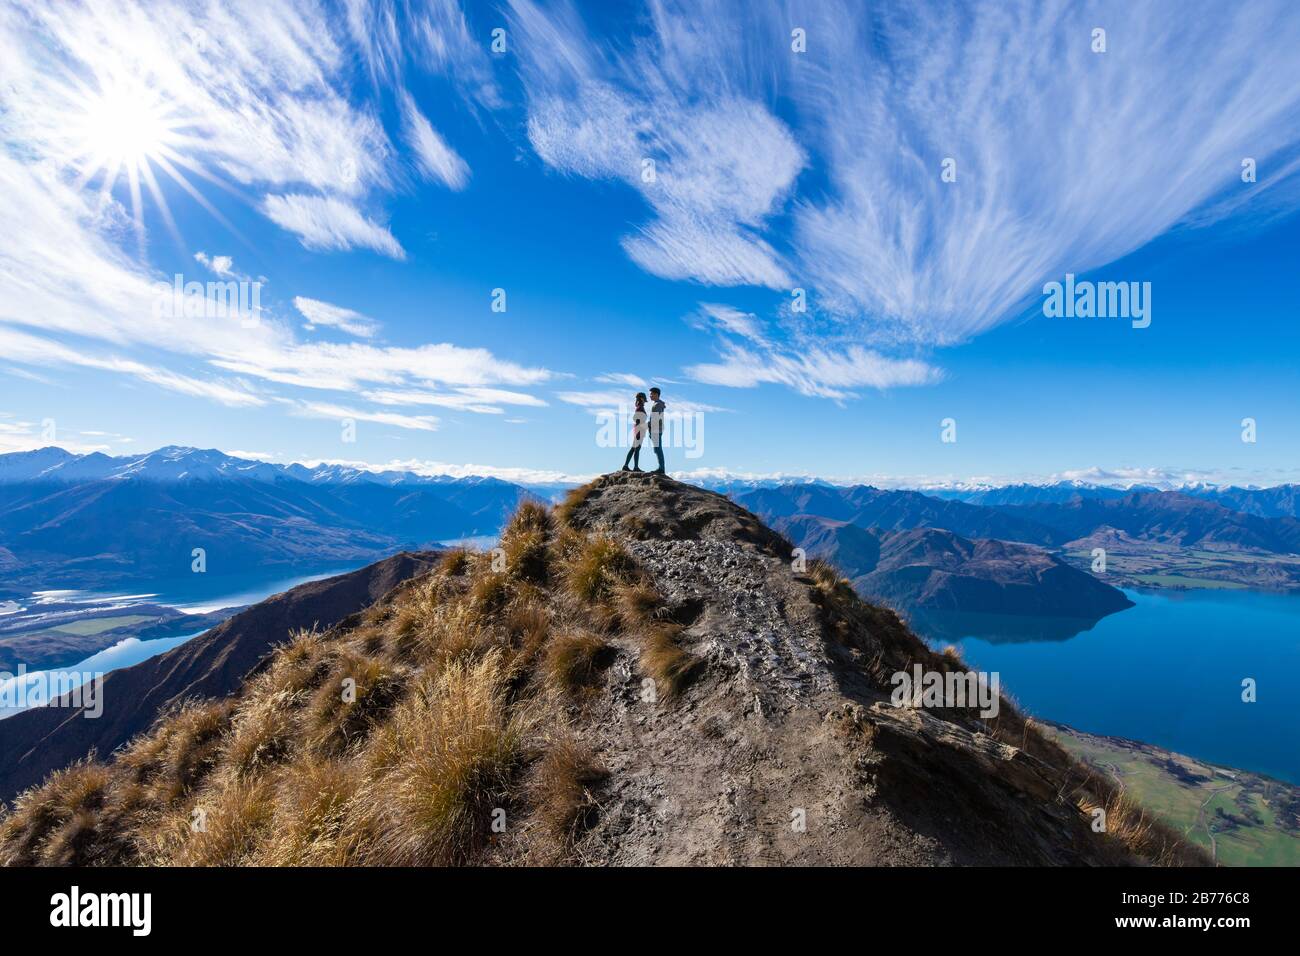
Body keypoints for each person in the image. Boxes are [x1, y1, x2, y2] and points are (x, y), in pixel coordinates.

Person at [621, 392, 648, 471]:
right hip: (639, 430)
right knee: (637, 448)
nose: (645, 401)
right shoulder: (640, 407)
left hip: (638, 429)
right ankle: (635, 467)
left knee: (633, 448)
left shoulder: (639, 407)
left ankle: (626, 465)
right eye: (644, 399)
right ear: (642, 398)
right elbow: (636, 418)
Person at [648, 386, 666, 475]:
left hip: (655, 429)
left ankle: (661, 469)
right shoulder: (657, 404)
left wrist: (648, 425)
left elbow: (655, 418)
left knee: (658, 449)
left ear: (656, 394)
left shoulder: (657, 405)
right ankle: (661, 468)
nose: (650, 396)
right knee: (657, 449)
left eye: (651, 394)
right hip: (657, 429)